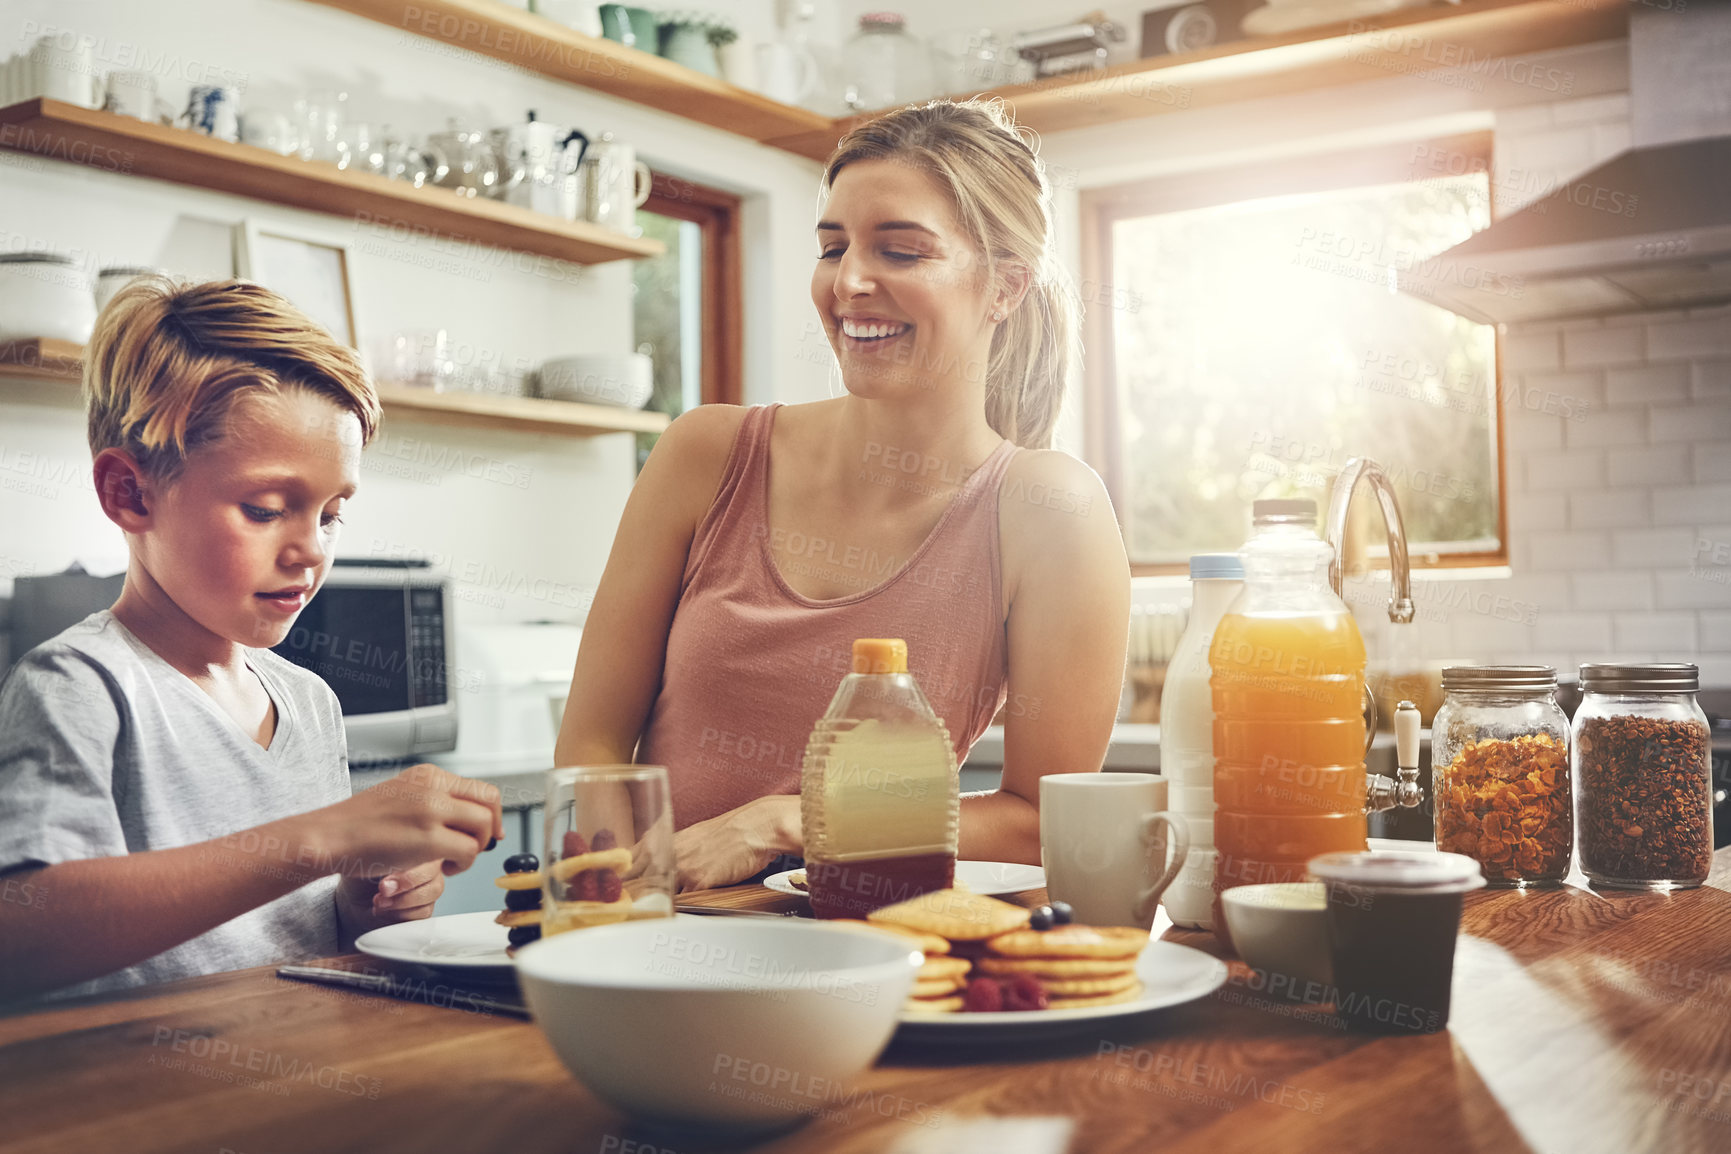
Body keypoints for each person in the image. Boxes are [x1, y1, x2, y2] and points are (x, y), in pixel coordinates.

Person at [557, 99, 1131, 891]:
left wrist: (788, 820)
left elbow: (1042, 818)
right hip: (658, 934)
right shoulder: (707, 452)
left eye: (898, 251)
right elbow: (590, 745)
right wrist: (623, 895)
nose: (849, 282)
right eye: (833, 249)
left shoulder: (1047, 509)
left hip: (875, 943)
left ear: (1004, 286)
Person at [0, 277, 502, 1007]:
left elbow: (298, 932)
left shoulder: (308, 701)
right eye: (266, 510)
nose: (310, 550)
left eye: (332, 514)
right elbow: (21, 933)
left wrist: (367, 901)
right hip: (134, 1106)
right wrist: (325, 836)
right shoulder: (80, 685)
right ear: (129, 494)